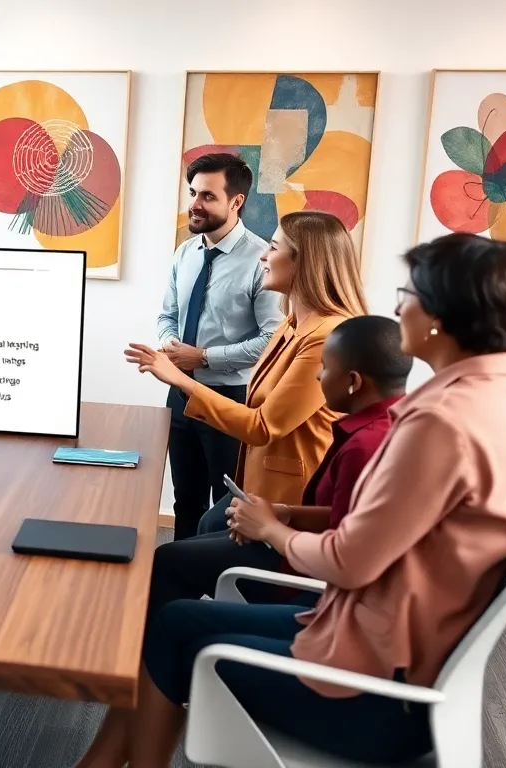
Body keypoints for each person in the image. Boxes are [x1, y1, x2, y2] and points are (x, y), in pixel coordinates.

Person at [75, 233, 506, 768]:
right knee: (177, 621)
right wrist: (289, 515)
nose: (397, 307)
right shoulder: (498, 397)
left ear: (441, 313)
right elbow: (389, 525)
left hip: (373, 691)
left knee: (175, 628)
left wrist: (273, 531)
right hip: (387, 643)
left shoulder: (441, 423)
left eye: (408, 293)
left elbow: (351, 561)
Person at [145, 315, 411, 616]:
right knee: (205, 528)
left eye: (325, 369)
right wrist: (285, 513)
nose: (317, 378)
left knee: (171, 580)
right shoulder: (383, 425)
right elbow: (345, 518)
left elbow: (344, 556)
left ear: (353, 382)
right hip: (300, 542)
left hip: (312, 591)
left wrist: (270, 529)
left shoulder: (364, 446)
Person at [129, 209, 368, 536]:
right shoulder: (292, 323)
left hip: (290, 503)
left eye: (273, 248)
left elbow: (263, 425)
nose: (263, 257)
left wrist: (179, 375)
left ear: (303, 262)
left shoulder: (326, 336)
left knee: (174, 557)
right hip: (257, 483)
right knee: (198, 521)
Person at [155, 153, 285, 540]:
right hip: (180, 393)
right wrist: (169, 345)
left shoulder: (262, 260)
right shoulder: (185, 252)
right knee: (185, 499)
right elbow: (167, 315)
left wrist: (205, 357)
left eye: (207, 196)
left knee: (223, 506)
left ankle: (216, 587)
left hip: (232, 399)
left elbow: (272, 341)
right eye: (193, 193)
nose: (194, 204)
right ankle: (177, 580)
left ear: (236, 202)